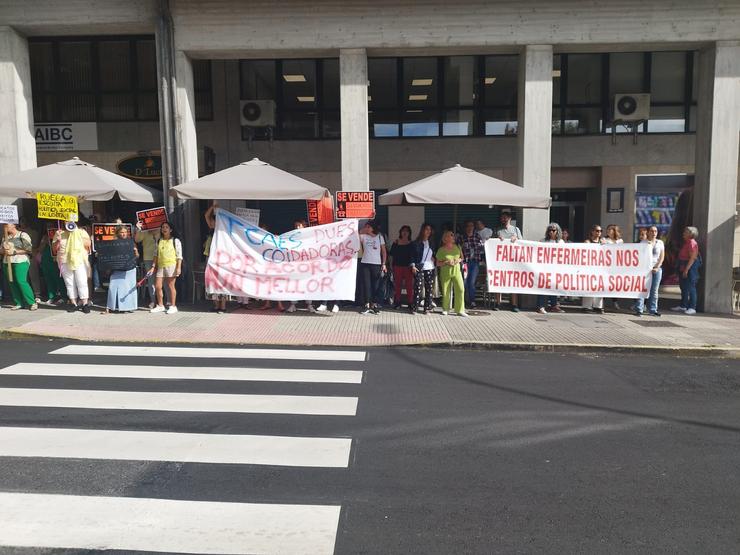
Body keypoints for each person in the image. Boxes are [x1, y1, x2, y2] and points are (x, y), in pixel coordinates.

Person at [53, 221, 92, 313]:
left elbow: (88, 245)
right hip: (64, 260)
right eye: (66, 221)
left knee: (82, 282)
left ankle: (84, 303)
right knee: (69, 283)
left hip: (79, 260)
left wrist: (76, 233)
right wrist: (58, 240)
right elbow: (55, 248)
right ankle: (73, 303)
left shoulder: (81, 231)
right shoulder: (59, 233)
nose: (68, 222)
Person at [1, 222, 38, 311]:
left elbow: (28, 249)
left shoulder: (23, 235)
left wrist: (14, 252)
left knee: (21, 280)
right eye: (4, 225)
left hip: (20, 260)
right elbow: (1, 251)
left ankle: (32, 302)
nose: (5, 227)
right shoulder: (5, 237)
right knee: (12, 282)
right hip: (7, 262)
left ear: (13, 225)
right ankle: (19, 302)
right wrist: (4, 250)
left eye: (7, 225)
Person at [104, 225, 139, 314]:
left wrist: (136, 252)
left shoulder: (131, 242)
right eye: (121, 232)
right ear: (118, 233)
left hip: (129, 269)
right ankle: (111, 306)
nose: (123, 234)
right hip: (117, 269)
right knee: (113, 287)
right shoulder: (113, 243)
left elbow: (137, 256)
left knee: (128, 288)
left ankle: (128, 307)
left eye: (125, 232)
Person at [150, 222, 182, 315]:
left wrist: (178, 267)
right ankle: (160, 305)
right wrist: (153, 266)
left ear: (170, 229)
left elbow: (179, 255)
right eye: (163, 227)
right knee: (158, 286)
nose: (164, 229)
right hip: (160, 266)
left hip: (171, 265)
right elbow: (156, 254)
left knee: (171, 286)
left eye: (166, 227)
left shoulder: (175, 241)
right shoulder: (159, 240)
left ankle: (173, 306)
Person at [285, 220, 316, 313]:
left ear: (304, 226)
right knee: (294, 285)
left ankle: (309, 305)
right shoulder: (292, 237)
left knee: (308, 285)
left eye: (300, 226)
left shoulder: (310, 237)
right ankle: (293, 304)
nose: (298, 228)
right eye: (296, 226)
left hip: (307, 266)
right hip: (296, 266)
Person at [635, 225, 665, 317]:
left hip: (657, 268)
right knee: (642, 288)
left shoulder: (660, 242)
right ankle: (639, 309)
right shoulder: (643, 242)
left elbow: (662, 257)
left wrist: (657, 267)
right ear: (648, 232)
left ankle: (653, 310)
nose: (654, 233)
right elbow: (639, 256)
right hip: (645, 269)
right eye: (652, 231)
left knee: (654, 290)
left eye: (655, 231)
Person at [358, 220, 387, 315]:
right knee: (366, 285)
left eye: (368, 227)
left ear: (373, 228)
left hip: (376, 264)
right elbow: (356, 235)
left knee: (376, 285)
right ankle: (366, 305)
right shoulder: (363, 236)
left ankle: (373, 304)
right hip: (365, 263)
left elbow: (383, 252)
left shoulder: (380, 237)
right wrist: (363, 230)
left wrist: (384, 264)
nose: (366, 228)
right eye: (366, 227)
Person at [436, 230, 467, 317]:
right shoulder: (441, 250)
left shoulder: (458, 247)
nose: (453, 236)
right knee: (446, 291)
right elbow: (437, 263)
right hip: (445, 272)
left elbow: (462, 258)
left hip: (457, 271)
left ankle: (460, 310)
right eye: (451, 235)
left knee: (461, 289)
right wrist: (446, 262)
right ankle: (445, 309)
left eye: (453, 235)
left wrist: (458, 260)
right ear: (445, 238)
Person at [497, 209, 522, 311]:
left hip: (513, 261)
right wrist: (498, 239)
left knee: (513, 282)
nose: (504, 219)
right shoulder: (499, 230)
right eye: (502, 217)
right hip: (502, 261)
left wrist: (516, 238)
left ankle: (514, 304)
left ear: (510, 218)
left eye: (505, 217)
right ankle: (498, 304)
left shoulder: (516, 230)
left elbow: (522, 243)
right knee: (498, 280)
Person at [672, 226, 701, 315]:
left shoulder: (692, 243)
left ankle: (692, 307)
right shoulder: (687, 242)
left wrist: (686, 270)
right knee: (683, 287)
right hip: (683, 266)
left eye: (686, 232)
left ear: (691, 234)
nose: (683, 233)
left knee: (691, 287)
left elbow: (693, 257)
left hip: (689, 267)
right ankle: (683, 305)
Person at [536, 223, 565, 314]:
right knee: (542, 287)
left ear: (557, 231)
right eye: (550, 230)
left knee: (554, 287)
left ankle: (554, 306)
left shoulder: (561, 242)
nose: (551, 232)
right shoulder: (543, 241)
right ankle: (540, 306)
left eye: (553, 230)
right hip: (544, 268)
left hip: (556, 269)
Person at [135, 217, 161, 309]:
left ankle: (163, 301)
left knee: (163, 280)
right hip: (148, 258)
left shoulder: (161, 229)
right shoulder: (144, 231)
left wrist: (157, 230)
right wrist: (138, 229)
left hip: (162, 258)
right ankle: (153, 301)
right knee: (151, 280)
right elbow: (137, 240)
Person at [410, 223, 436, 314]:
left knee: (429, 288)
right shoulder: (416, 243)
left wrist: (434, 258)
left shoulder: (432, 242)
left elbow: (435, 254)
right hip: (419, 267)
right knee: (418, 287)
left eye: (430, 229)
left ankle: (427, 308)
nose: (428, 231)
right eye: (426, 229)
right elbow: (412, 256)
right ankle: (415, 307)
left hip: (430, 267)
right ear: (422, 230)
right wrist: (413, 265)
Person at [581, 224, 606, 314]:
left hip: (600, 268)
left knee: (599, 287)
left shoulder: (603, 242)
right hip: (590, 268)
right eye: (597, 231)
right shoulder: (588, 242)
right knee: (589, 286)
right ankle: (586, 306)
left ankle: (598, 306)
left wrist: (604, 245)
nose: (599, 233)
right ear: (592, 231)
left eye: (600, 231)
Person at [460, 220, 484, 309]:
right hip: (465, 263)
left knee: (472, 283)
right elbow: (458, 249)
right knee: (464, 282)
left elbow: (483, 247)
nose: (470, 228)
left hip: (475, 263)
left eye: (472, 226)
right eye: (468, 226)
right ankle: (462, 301)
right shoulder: (462, 237)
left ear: (474, 227)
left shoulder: (477, 236)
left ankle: (472, 301)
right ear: (465, 227)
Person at [39, 231, 66, 305]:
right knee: (48, 278)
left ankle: (64, 296)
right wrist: (44, 242)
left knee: (59, 278)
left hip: (56, 259)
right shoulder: (45, 237)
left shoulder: (61, 234)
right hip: (46, 259)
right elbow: (40, 250)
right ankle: (51, 296)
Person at [389, 225, 414, 309]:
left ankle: (410, 303)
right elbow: (391, 255)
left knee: (409, 286)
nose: (405, 232)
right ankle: (397, 302)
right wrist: (391, 266)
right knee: (397, 286)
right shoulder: (396, 243)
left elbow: (413, 256)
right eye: (403, 231)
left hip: (408, 267)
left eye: (407, 231)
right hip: (397, 266)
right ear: (400, 232)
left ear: (409, 233)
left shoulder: (411, 244)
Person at [604, 225, 624, 310]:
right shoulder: (604, 240)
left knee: (614, 284)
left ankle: (615, 302)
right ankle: (602, 301)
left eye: (610, 230)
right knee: (604, 283)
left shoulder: (620, 241)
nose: (608, 231)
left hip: (616, 266)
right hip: (606, 265)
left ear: (614, 231)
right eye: (607, 229)